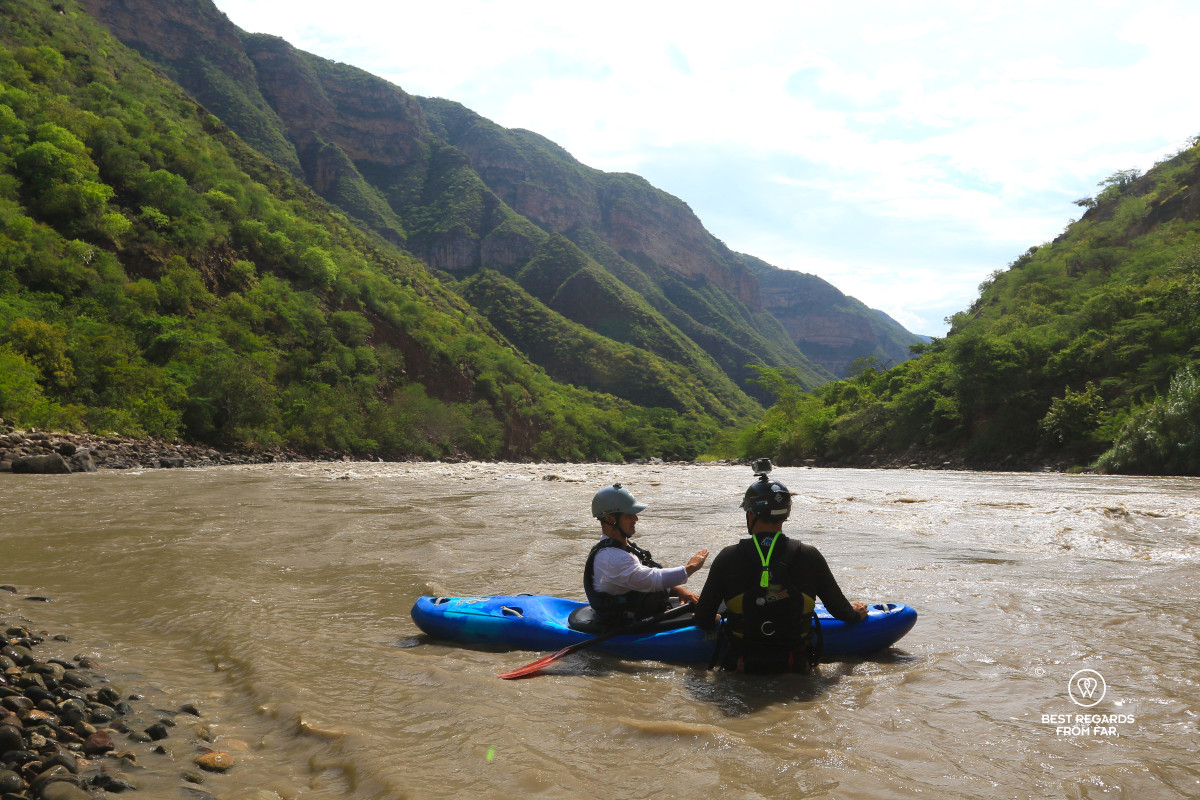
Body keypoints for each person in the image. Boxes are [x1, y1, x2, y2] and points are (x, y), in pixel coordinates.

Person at [695, 466, 867, 674]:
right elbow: (840, 610)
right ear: (785, 514)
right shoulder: (809, 555)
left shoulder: (728, 557)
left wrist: (716, 618)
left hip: (742, 668)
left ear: (750, 515)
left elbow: (703, 618)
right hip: (796, 666)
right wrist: (856, 615)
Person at [583, 483, 709, 627]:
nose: (636, 519)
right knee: (711, 618)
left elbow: (644, 579)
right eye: (629, 515)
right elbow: (651, 580)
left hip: (639, 611)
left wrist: (679, 590)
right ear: (611, 519)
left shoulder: (623, 547)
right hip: (622, 623)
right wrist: (691, 567)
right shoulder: (612, 558)